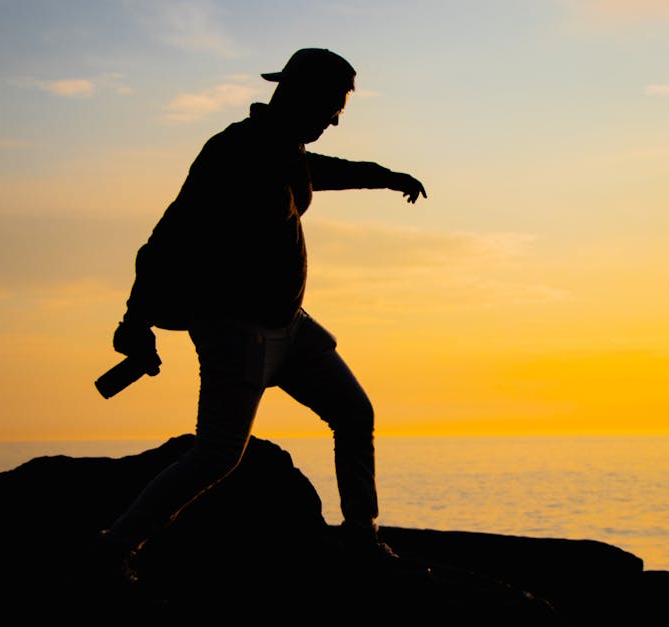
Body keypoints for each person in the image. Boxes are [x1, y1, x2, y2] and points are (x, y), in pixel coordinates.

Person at [98, 48, 427, 580]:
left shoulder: (287, 150)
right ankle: (115, 548)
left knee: (353, 414)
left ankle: (361, 538)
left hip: (289, 326)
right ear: (303, 96)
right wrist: (135, 322)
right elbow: (166, 238)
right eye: (333, 107)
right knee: (217, 454)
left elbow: (324, 171)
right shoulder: (234, 150)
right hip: (233, 328)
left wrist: (386, 177)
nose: (335, 120)